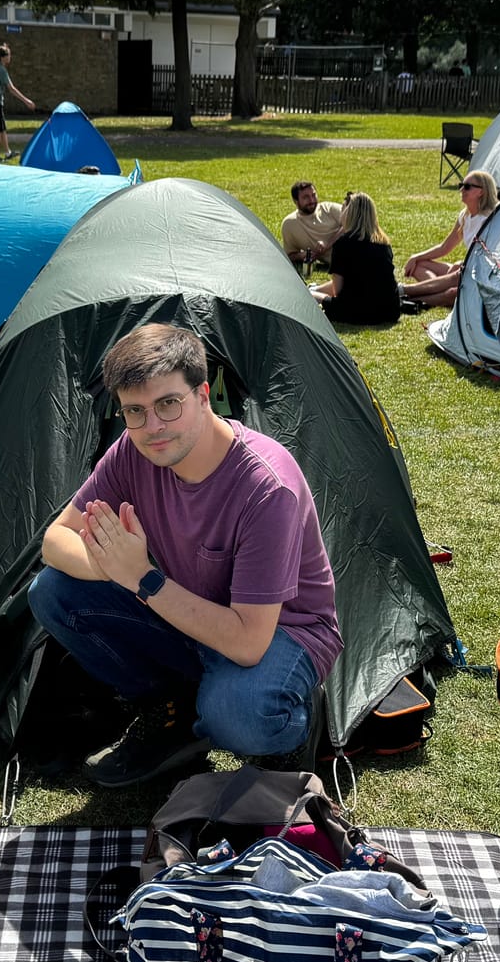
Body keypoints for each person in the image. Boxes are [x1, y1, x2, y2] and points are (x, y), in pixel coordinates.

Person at [28, 324, 341, 786]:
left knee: (240, 716)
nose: (152, 427)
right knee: (53, 592)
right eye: (135, 411)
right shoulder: (132, 453)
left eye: (167, 404)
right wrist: (110, 566)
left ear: (203, 395)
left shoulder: (266, 487)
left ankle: (288, 724)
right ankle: (171, 711)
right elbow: (55, 540)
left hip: (277, 633)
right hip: (184, 613)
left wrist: (142, 578)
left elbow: (248, 642)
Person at [400, 167, 497, 310]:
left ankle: (406, 295)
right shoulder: (465, 216)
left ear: (481, 191)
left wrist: (462, 265)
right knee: (419, 265)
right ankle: (431, 291)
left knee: (453, 290)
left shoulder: (488, 220)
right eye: (461, 185)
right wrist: (416, 257)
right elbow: (445, 247)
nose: (461, 190)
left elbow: (487, 260)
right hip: (462, 272)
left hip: (478, 277)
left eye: (467, 187)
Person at [309, 192, 403, 326]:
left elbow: (338, 291)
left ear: (349, 214)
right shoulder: (384, 244)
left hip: (356, 313)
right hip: (390, 311)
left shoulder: (342, 244)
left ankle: (310, 292)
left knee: (312, 296)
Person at [281, 180, 344, 267]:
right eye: (305, 197)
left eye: (313, 195)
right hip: (341, 266)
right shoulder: (290, 224)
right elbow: (289, 256)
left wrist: (327, 244)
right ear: (295, 201)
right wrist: (302, 256)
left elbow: (355, 223)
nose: (312, 200)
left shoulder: (329, 209)